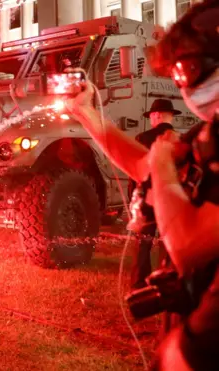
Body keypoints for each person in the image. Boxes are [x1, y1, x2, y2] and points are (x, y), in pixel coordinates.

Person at [67, 1, 219, 369]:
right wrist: (87, 114)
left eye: (188, 71)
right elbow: (143, 166)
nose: (185, 88)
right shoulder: (209, 133)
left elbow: (190, 244)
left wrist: (163, 163)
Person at [129, 99, 180, 289]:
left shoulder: (142, 139)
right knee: (168, 245)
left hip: (148, 200)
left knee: (143, 244)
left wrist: (133, 200)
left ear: (156, 115)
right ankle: (166, 282)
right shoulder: (180, 140)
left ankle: (139, 283)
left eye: (151, 115)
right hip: (171, 201)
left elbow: (134, 173)